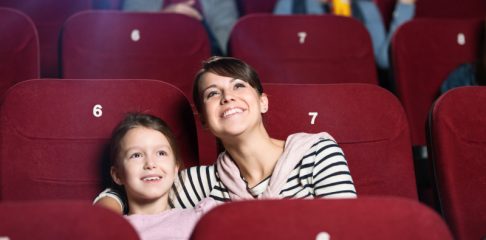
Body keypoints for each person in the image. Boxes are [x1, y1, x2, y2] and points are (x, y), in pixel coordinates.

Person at [95, 56, 357, 212]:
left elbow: (348, 230)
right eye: (212, 93)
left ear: (263, 102)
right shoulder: (200, 184)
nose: (227, 97)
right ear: (205, 121)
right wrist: (109, 208)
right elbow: (134, 189)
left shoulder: (316, 152)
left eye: (239, 86)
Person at [98, 112, 217, 239]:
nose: (150, 164)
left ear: (175, 168)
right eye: (136, 155)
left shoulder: (202, 217)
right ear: (117, 175)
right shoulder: (110, 230)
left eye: (161, 153)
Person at [274, 0, 416, 70]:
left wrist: (405, 5)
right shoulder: (290, 4)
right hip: (303, 85)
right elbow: (277, 55)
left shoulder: (364, 8)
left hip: (351, 88)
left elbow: (384, 60)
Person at [122, 0, 238, 55]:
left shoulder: (219, 3)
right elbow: (129, 39)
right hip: (151, 64)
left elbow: (229, 45)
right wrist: (160, 19)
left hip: (207, 64)